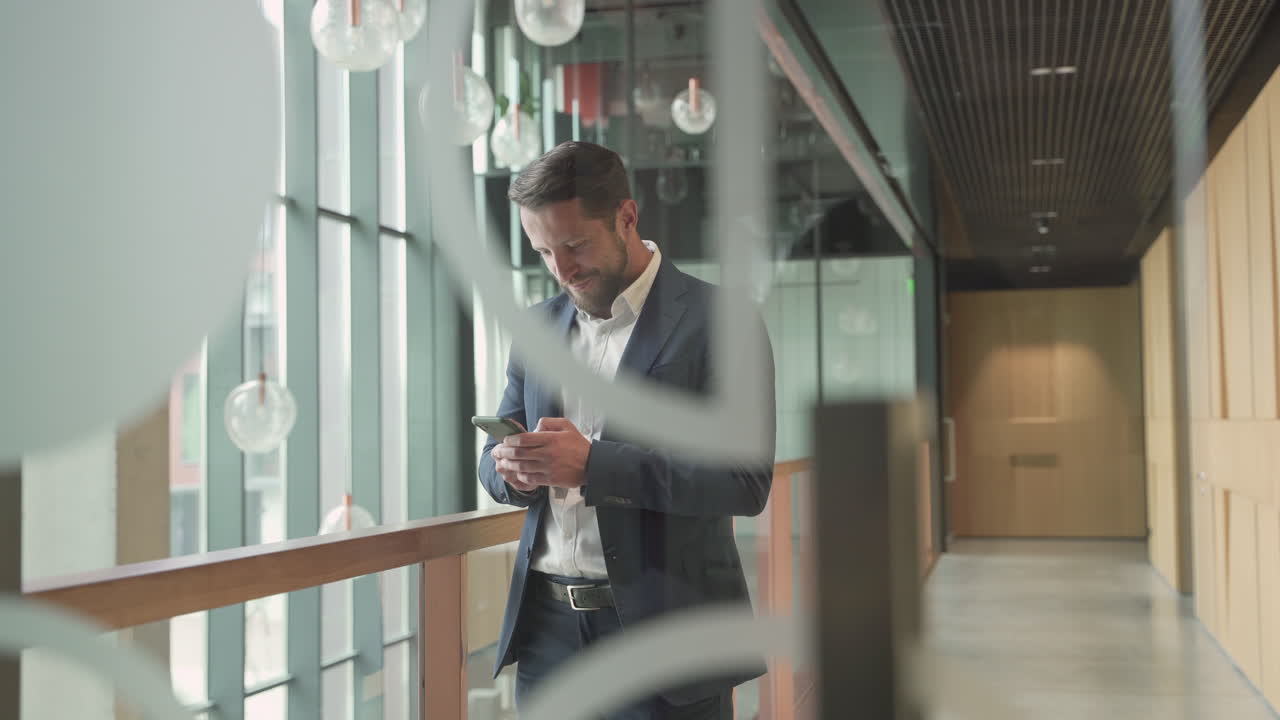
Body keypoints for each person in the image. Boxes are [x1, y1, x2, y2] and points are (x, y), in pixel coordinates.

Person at [477, 141, 777, 720]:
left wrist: (593, 464)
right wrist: (511, 469)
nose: (562, 270)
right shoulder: (536, 328)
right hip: (548, 636)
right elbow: (492, 457)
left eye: (575, 245)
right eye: (543, 251)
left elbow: (745, 482)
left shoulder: (721, 322)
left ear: (627, 217)